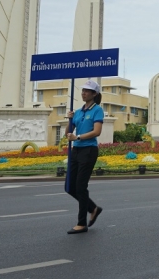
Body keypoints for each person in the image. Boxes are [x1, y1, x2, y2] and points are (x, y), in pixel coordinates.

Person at [65, 80, 104, 234]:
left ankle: (81, 223)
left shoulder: (97, 110)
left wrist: (78, 138)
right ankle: (93, 208)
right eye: (83, 90)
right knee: (69, 187)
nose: (83, 93)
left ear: (94, 94)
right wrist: (69, 118)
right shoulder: (79, 111)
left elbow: (97, 132)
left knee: (81, 187)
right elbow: (69, 132)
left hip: (88, 150)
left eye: (87, 91)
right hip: (76, 151)